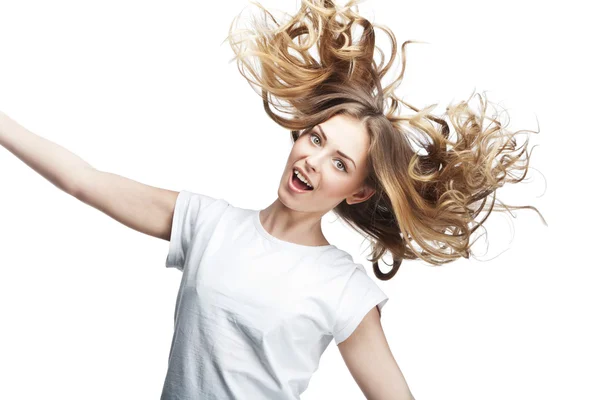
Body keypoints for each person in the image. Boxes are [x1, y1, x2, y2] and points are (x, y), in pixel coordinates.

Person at [0, 0, 546, 399]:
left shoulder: (341, 288)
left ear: (357, 191)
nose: (312, 160)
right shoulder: (205, 223)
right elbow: (83, 180)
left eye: (339, 162)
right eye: (315, 139)